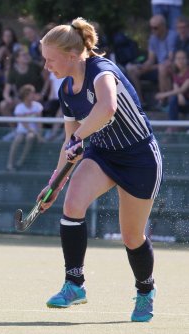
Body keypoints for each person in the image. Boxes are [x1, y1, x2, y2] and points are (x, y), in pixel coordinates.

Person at [39, 17, 162, 322]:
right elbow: (69, 142)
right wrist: (54, 183)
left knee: (132, 236)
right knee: (71, 204)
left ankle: (145, 291)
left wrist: (79, 137)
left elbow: (107, 108)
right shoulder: (66, 90)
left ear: (71, 56)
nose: (46, 67)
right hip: (103, 154)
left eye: (50, 60)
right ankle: (74, 284)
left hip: (139, 159)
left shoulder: (101, 71)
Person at [125, 15, 175, 105]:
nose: (153, 30)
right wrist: (142, 67)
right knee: (132, 70)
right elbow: (151, 59)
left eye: (155, 28)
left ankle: (166, 102)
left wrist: (152, 67)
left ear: (163, 26)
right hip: (158, 66)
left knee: (162, 68)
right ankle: (139, 102)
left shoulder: (172, 36)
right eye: (151, 27)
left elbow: (170, 59)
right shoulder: (153, 38)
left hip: (171, 66)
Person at [6, 84, 43, 172]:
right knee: (17, 140)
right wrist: (38, 135)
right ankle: (10, 163)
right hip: (22, 130)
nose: (34, 95)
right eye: (31, 93)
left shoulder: (37, 106)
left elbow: (39, 122)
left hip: (33, 132)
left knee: (30, 137)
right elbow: (25, 124)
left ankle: (20, 162)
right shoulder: (19, 107)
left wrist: (40, 134)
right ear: (26, 95)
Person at [155, 49, 189, 127]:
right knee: (174, 99)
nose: (181, 61)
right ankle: (172, 127)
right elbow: (176, 88)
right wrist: (179, 96)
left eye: (183, 58)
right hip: (183, 102)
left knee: (173, 97)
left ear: (187, 60)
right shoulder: (175, 73)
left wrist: (163, 95)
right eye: (178, 58)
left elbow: (183, 89)